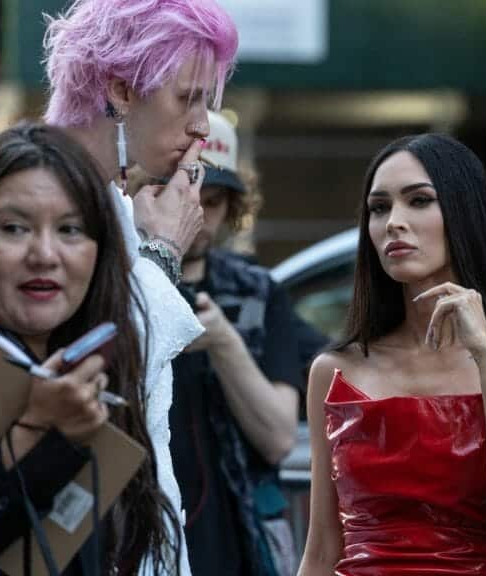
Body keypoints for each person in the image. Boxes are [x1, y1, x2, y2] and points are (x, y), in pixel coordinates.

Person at [298, 133, 486, 575]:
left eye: (419, 201)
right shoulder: (335, 370)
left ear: (465, 214)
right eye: (379, 207)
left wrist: (485, 356)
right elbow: (321, 548)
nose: (393, 223)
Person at [42, 2, 238, 573]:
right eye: (188, 98)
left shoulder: (114, 207)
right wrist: (162, 254)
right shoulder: (47, 203)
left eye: (207, 101)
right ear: (121, 89)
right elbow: (102, 376)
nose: (203, 125)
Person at [0, 123, 178, 575]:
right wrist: (34, 429)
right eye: (14, 228)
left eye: (70, 229)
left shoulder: (101, 374)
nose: (45, 254)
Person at [168, 111, 328, 576]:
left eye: (214, 201)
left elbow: (279, 438)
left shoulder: (257, 292)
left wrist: (223, 342)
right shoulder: (124, 283)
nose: (197, 214)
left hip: (238, 533)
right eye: (187, 193)